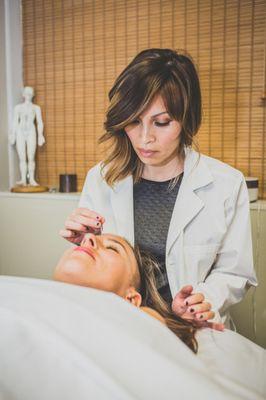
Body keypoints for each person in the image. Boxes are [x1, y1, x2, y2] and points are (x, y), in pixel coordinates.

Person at [60, 48, 257, 327]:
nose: (144, 138)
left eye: (161, 122)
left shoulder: (225, 184)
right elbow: (96, 274)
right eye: (134, 120)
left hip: (193, 332)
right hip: (122, 328)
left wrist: (203, 299)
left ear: (186, 119)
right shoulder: (102, 178)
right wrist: (84, 244)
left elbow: (236, 273)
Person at [54, 232, 224, 353]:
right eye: (81, 242)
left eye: (112, 248)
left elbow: (153, 328)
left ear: (130, 300)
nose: (88, 238)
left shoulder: (135, 318)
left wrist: (182, 323)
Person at [9, 86, 45, 186]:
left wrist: (40, 135)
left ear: (33, 95)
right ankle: (23, 179)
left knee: (31, 156)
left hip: (31, 131)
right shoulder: (18, 108)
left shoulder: (36, 108)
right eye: (26, 93)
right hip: (20, 131)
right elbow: (15, 122)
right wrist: (13, 134)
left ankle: (32, 179)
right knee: (22, 157)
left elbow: (40, 122)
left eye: (30, 93)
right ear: (23, 94)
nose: (28, 95)